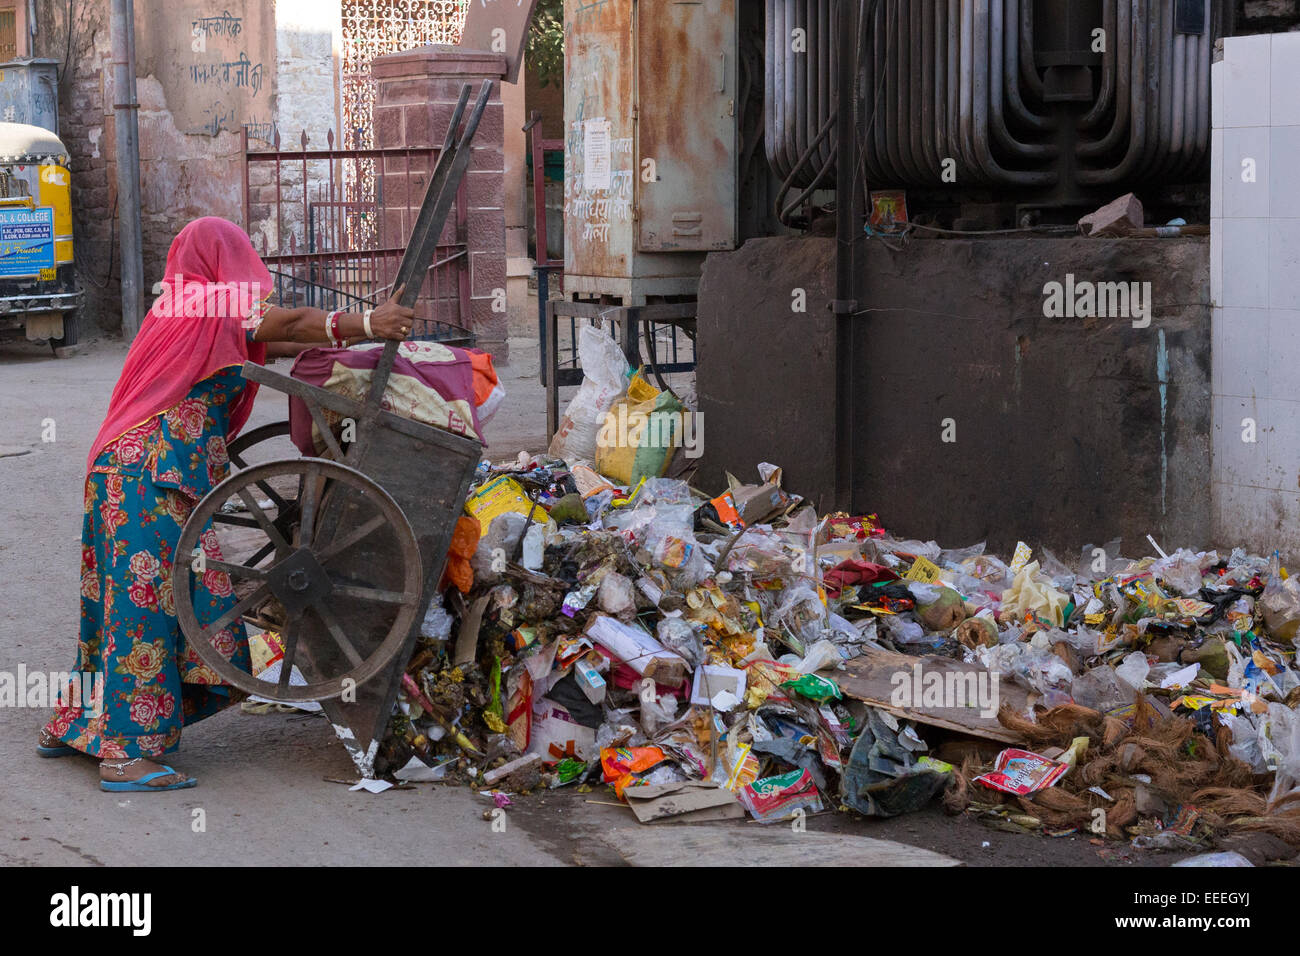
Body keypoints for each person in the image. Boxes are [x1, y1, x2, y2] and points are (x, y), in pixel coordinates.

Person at [38, 216, 413, 791]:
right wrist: (368, 319)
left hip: (123, 467)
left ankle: (74, 724)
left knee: (116, 605)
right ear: (225, 259)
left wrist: (357, 331)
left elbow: (277, 337)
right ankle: (125, 754)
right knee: (145, 608)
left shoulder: (185, 305)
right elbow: (281, 320)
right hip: (149, 473)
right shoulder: (213, 300)